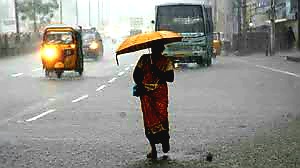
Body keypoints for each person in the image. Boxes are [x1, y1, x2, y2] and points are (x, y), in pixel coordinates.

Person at [133, 42, 174, 159]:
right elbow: (136, 74)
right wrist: (140, 85)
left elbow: (171, 78)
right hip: (146, 94)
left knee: (162, 118)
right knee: (149, 120)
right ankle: (153, 149)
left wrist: (158, 72)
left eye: (158, 48)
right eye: (154, 48)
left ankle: (165, 139)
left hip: (160, 94)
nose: (156, 50)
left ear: (161, 49)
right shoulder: (144, 59)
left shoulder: (166, 61)